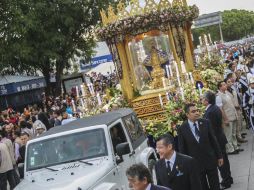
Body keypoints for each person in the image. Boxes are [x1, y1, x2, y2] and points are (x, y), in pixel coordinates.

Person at [178, 103, 223, 190]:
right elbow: (182, 148)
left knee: (215, 186)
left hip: (210, 160)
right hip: (195, 165)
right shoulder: (182, 129)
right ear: (187, 114)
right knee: (202, 187)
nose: (197, 113)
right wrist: (184, 165)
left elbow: (213, 141)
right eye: (193, 111)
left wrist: (219, 156)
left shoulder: (206, 122)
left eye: (197, 110)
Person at [202, 91, 233, 189]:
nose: (201, 100)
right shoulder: (214, 108)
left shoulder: (210, 111)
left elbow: (211, 128)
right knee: (225, 160)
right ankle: (228, 178)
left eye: (202, 98)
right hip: (220, 137)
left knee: (221, 161)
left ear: (207, 101)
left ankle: (226, 181)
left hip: (217, 139)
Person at [216, 81, 240, 154]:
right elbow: (220, 109)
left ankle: (235, 147)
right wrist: (225, 119)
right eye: (223, 85)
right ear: (220, 87)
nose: (225, 85)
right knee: (228, 135)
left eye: (225, 84)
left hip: (233, 115)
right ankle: (230, 149)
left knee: (233, 133)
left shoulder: (226, 93)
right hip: (227, 117)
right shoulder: (218, 96)